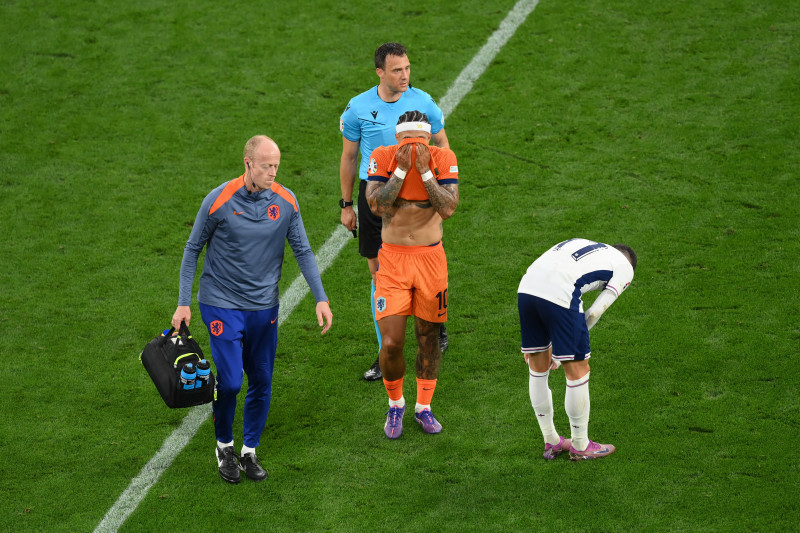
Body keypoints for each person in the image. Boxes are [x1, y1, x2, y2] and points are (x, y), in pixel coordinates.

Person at [172, 135, 333, 483]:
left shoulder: (287, 201)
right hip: (221, 304)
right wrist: (183, 302)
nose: (273, 172)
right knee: (229, 382)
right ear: (247, 163)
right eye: (266, 166)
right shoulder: (218, 201)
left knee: (261, 379)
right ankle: (224, 446)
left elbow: (303, 251)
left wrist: (320, 296)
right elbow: (192, 249)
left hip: (264, 308)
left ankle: (249, 452)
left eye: (276, 165)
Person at [339, 42, 450, 382]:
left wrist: (439, 181)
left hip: (418, 198)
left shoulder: (423, 102)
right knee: (378, 273)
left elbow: (443, 144)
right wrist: (346, 204)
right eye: (397, 70)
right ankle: (384, 349)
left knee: (426, 266)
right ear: (380, 73)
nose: (405, 76)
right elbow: (349, 157)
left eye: (407, 68)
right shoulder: (358, 108)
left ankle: (435, 324)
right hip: (376, 195)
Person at [366, 110, 459, 439]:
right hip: (392, 262)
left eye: (419, 142)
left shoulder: (443, 158)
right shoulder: (383, 157)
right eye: (407, 143)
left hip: (431, 261)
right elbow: (377, 206)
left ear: (429, 139)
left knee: (428, 339)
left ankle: (424, 407)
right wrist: (403, 169)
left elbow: (447, 208)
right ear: (397, 139)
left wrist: (426, 173)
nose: (414, 148)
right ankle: (395, 404)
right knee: (391, 343)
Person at [517, 238, 637, 461]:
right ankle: (581, 444)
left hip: (526, 288)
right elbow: (594, 312)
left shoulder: (584, 244)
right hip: (561, 291)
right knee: (578, 370)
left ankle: (551, 440)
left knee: (537, 367)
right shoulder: (625, 267)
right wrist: (567, 350)